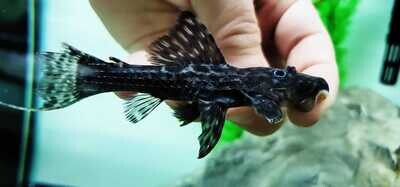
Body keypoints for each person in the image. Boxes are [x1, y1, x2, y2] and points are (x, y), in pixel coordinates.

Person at [89, 0, 338, 135]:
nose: (285, 74)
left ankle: (92, 76)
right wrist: (236, 36)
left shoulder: (260, 97)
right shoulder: (255, 89)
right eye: (281, 73)